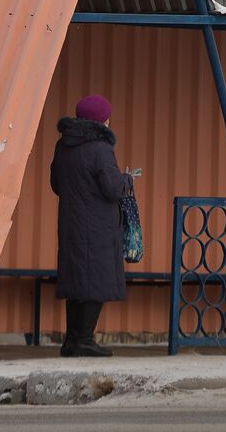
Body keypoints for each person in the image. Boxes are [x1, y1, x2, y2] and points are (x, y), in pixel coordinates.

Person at [49, 93, 127, 357]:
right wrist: (127, 179)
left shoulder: (63, 146)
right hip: (97, 227)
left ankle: (71, 341)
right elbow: (113, 188)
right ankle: (84, 339)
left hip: (71, 224)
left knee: (77, 281)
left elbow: (56, 184)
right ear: (102, 120)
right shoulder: (101, 149)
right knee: (96, 281)